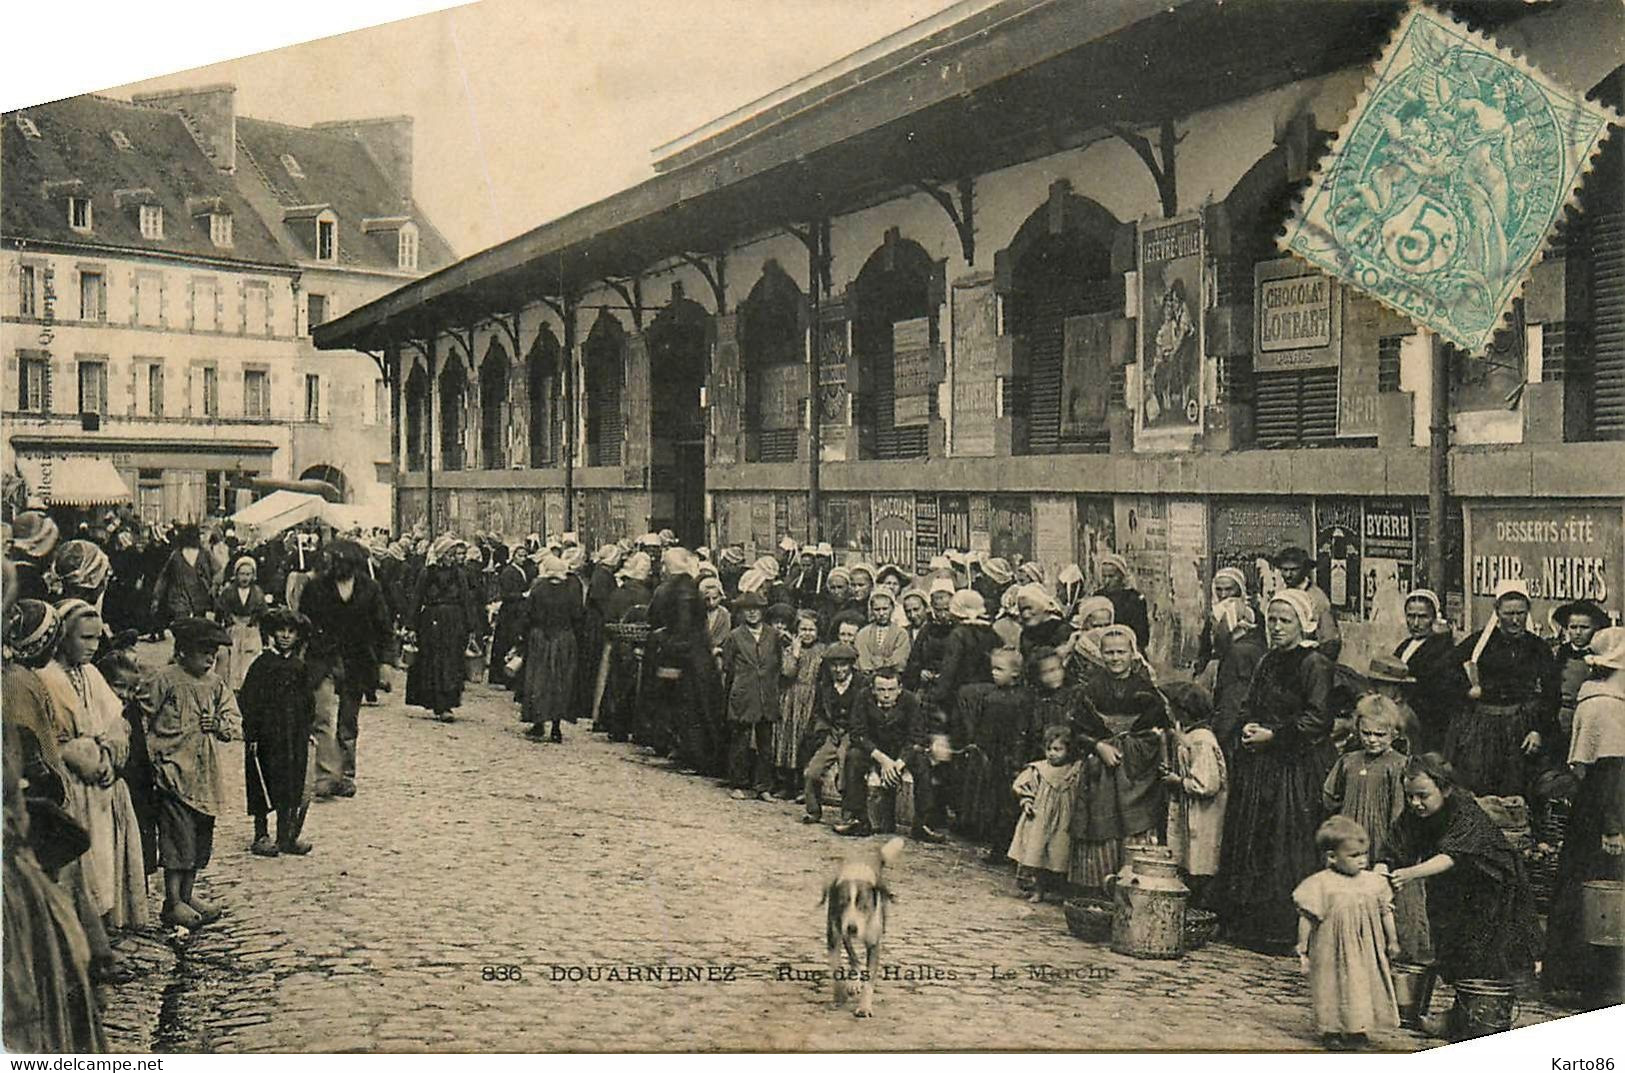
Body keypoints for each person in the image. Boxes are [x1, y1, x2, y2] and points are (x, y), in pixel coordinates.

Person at [1379, 754, 1543, 1038]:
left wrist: (1409, 873)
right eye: (1410, 796)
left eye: (1423, 796)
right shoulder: (1416, 814)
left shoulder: (1465, 811)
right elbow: (1395, 846)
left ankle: (1479, 1020)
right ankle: (1460, 1017)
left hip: (1491, 890)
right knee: (1452, 946)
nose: (1415, 803)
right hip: (1452, 889)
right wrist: (1382, 870)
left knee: (1482, 955)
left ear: (1444, 789)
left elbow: (1451, 856)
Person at [1213, 589, 1338, 951]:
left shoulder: (1313, 663)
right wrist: (1249, 725)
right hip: (1262, 766)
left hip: (1295, 767)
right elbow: (1250, 703)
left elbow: (1317, 719)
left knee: (1288, 842)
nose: (1278, 628)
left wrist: (1275, 735)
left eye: (1286, 621)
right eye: (1273, 621)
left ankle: (1285, 929)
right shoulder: (1268, 660)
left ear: (1303, 624)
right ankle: (1252, 924)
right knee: (1255, 841)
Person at [36, 601, 149, 934]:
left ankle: (103, 927)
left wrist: (113, 753)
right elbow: (51, 738)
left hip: (101, 783)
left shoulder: (90, 675)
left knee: (103, 859)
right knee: (82, 862)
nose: (91, 646)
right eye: (84, 638)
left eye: (97, 639)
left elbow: (115, 718)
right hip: (72, 783)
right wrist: (79, 755)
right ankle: (83, 936)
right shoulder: (48, 677)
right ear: (62, 637)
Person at [1542, 626, 1625, 1004]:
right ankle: (1584, 980)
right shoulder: (1605, 706)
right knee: (1597, 893)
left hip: (1595, 809)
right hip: (1601, 813)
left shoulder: (1599, 698)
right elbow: (1609, 770)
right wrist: (1613, 827)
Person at [143, 617, 240, 929]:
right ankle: (172, 901)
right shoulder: (166, 679)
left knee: (199, 837)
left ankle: (188, 894)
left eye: (213, 652)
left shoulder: (216, 685)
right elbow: (142, 714)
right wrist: (153, 757)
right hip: (173, 771)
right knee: (176, 839)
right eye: (202, 651)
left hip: (203, 773)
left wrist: (221, 725)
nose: (209, 658)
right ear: (182, 651)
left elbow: (233, 719)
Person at [1068, 626, 1169, 890]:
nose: (1115, 658)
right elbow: (1077, 730)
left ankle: (1132, 884)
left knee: (1134, 826)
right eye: (1109, 652)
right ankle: (1097, 884)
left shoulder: (1144, 688)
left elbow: (1157, 731)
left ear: (1132, 653)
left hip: (1136, 773)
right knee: (1100, 822)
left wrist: (1131, 747)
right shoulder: (1092, 688)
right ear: (1101, 654)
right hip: (1100, 769)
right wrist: (1099, 745)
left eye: (1121, 652)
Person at [1293, 816, 1401, 1051]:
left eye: (1364, 854)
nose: (1362, 861)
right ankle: (1331, 1029)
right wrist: (1303, 946)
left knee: (1361, 984)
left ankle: (1357, 1028)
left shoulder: (1374, 883)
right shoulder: (1320, 884)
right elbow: (1307, 916)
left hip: (1365, 948)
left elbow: (1386, 912)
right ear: (1332, 857)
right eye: (1354, 856)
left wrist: (1392, 940)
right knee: (1330, 985)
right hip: (1331, 947)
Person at [1449, 578, 1558, 798]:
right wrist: (1467, 691)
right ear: (1497, 611)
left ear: (1528, 610)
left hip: (1521, 726)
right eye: (1509, 613)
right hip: (1481, 726)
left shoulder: (1538, 648)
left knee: (1516, 789)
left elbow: (1551, 694)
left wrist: (1538, 730)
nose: (1515, 620)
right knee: (1479, 786)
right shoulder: (1479, 643)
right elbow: (1448, 670)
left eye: (1520, 613)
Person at [302, 541, 391, 790]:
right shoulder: (316, 587)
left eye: (345, 563)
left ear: (355, 565)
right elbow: (303, 622)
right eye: (336, 562)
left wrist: (384, 663)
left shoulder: (370, 590)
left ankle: (346, 774)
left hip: (357, 661)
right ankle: (325, 774)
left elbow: (384, 627)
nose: (339, 567)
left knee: (348, 720)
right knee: (322, 716)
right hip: (323, 660)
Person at [239, 608, 316, 858]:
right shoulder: (262, 665)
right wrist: (251, 733)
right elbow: (248, 701)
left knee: (290, 780)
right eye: (281, 631)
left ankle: (286, 835)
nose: (285, 636)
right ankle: (261, 834)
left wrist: (308, 730)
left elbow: (308, 702)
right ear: (272, 633)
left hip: (293, 735)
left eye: (291, 632)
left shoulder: (299, 666)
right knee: (263, 780)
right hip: (266, 735)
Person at [833, 668, 935, 840]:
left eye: (891, 690)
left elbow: (917, 736)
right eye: (881, 690)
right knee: (854, 757)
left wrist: (899, 762)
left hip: (901, 751)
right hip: (874, 749)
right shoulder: (863, 697)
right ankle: (858, 819)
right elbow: (858, 733)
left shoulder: (911, 701)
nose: (886, 695)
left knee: (923, 762)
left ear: (900, 689)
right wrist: (883, 760)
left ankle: (921, 824)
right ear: (873, 689)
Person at [957, 647, 1035, 851]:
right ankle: (988, 835)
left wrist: (1016, 758)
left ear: (1015, 673)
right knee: (989, 797)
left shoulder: (1020, 699)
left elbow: (1021, 731)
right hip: (990, 754)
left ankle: (1002, 845)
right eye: (993, 668)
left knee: (1005, 801)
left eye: (1000, 669)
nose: (994, 673)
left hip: (1007, 756)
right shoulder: (992, 696)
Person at [1160, 680, 1227, 902]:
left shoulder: (1201, 741)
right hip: (1192, 811)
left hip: (1203, 813)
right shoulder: (1190, 736)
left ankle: (1201, 910)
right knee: (1190, 858)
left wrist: (1178, 781)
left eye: (1171, 708)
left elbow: (1206, 784)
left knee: (1201, 860)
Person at [406, 536, 482, 726]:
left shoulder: (459, 574)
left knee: (451, 661)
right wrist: (411, 626)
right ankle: (439, 703)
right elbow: (417, 598)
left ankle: (448, 701)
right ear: (440, 554)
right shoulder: (427, 573)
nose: (451, 557)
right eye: (448, 553)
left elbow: (466, 600)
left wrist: (471, 626)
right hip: (432, 621)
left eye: (452, 554)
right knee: (434, 661)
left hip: (454, 622)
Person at [1008, 724, 1083, 902]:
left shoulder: (1075, 771)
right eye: (1048, 749)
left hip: (1065, 819)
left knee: (1060, 854)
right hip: (1040, 818)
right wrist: (1026, 802)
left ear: (1069, 750)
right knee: (1038, 853)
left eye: (1058, 749)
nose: (1052, 753)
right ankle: (1038, 889)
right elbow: (1024, 788)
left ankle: (1061, 891)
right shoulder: (1038, 769)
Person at [721, 591, 784, 801]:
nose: (753, 614)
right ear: (742, 612)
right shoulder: (735, 636)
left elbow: (778, 663)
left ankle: (763, 786)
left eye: (756, 609)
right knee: (741, 740)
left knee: (766, 743)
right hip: (744, 693)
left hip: (767, 694)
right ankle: (738, 783)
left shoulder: (773, 635)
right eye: (748, 610)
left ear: (762, 611)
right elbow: (728, 666)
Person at [800, 642, 864, 825]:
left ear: (851, 665)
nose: (838, 669)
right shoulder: (824, 686)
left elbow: (865, 717)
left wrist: (853, 735)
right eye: (834, 665)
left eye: (843, 664)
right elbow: (819, 713)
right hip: (832, 733)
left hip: (853, 735)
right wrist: (824, 732)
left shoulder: (862, 685)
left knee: (846, 769)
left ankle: (848, 814)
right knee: (812, 771)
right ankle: (813, 810)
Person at [521, 555, 584, 743]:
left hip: (541, 638)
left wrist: (524, 636)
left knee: (539, 680)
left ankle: (539, 722)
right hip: (564, 638)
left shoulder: (538, 588)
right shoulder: (571, 589)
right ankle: (556, 727)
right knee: (560, 681)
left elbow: (528, 614)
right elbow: (578, 614)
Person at [1394, 589, 1458, 753]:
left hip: (1427, 725)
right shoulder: (1405, 645)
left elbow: (1438, 696)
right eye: (1410, 616)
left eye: (1423, 617)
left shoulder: (1442, 650)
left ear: (1434, 618)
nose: (1415, 623)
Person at [775, 611, 825, 800]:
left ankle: (803, 787)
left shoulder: (822, 650)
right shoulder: (789, 649)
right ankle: (785, 784)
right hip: (791, 696)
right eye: (803, 629)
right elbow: (787, 673)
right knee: (787, 739)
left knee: (805, 739)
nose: (807, 633)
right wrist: (795, 653)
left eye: (811, 629)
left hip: (811, 697)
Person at [1551, 599, 1607, 766]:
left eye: (1584, 627)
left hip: (1591, 721)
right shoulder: (1557, 654)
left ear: (1595, 629)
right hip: (1562, 721)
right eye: (1573, 627)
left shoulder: (1604, 656)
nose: (1577, 632)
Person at [1210, 596, 1266, 754]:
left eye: (1216, 622)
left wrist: (1218, 736)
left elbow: (1232, 703)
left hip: (1237, 738)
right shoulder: (1256, 645)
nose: (1213, 629)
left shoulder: (1238, 653)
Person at [1275, 546, 1340, 662]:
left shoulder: (1316, 598)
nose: (1288, 575)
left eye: (1294, 570)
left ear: (1305, 570)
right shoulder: (1281, 593)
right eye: (1284, 570)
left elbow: (1330, 641)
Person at [213, 556, 267, 693]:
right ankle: (231, 690)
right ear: (236, 575)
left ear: (253, 575)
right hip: (234, 630)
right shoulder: (228, 592)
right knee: (232, 662)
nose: (245, 578)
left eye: (248, 574)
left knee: (249, 659)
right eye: (242, 574)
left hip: (251, 631)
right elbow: (220, 610)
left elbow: (263, 613)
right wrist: (227, 622)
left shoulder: (258, 593)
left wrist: (261, 630)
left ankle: (249, 688)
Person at [152, 525, 214, 630]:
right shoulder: (176, 555)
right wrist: (157, 596)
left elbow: (218, 570)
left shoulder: (205, 554)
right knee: (182, 625)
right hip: (180, 596)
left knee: (199, 627)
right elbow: (165, 576)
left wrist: (213, 586)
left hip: (199, 596)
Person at [488, 548, 531, 694]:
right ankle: (502, 676)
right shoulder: (509, 572)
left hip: (515, 611)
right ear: (513, 557)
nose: (523, 559)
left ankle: (506, 675)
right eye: (520, 556)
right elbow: (506, 593)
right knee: (506, 642)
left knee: (509, 642)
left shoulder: (519, 571)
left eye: (525, 556)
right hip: (510, 612)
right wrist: (522, 595)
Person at [1095, 553, 1149, 652]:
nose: (1106, 581)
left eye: (1111, 577)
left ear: (1121, 576)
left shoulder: (1134, 599)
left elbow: (1142, 637)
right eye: (1104, 576)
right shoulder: (1098, 597)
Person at [854, 589, 911, 676]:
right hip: (867, 678)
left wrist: (883, 664)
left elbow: (900, 660)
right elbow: (862, 659)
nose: (881, 613)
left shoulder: (901, 634)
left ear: (892, 608)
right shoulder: (863, 633)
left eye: (885, 609)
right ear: (872, 611)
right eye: (877, 609)